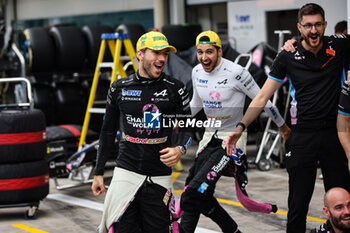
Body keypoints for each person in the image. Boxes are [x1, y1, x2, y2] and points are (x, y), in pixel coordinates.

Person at [226, 3, 350, 233]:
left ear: (325, 25)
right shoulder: (288, 55)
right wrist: (241, 126)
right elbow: (262, 96)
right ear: (299, 27)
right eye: (308, 26)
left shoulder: (340, 45)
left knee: (343, 204)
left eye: (318, 25)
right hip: (302, 136)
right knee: (298, 206)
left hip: (334, 135)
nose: (314, 31)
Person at [179, 30, 290, 233]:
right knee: (199, 196)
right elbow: (195, 105)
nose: (204, 57)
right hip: (208, 137)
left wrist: (282, 126)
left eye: (209, 52)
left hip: (230, 140)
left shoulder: (237, 72)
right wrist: (175, 119)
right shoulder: (196, 72)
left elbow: (262, 101)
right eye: (200, 52)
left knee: (193, 194)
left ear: (219, 51)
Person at [91, 31, 192, 233]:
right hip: (126, 171)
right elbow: (107, 132)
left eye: (165, 53)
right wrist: (99, 172)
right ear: (140, 54)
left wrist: (180, 148)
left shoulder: (176, 89)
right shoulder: (119, 88)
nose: (162, 58)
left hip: (160, 175)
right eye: (155, 53)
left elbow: (189, 127)